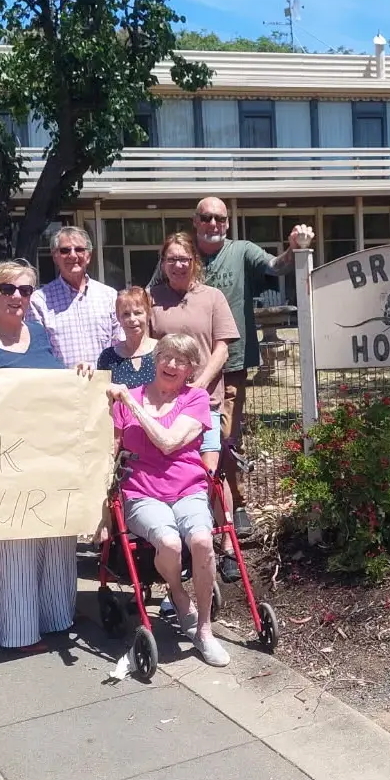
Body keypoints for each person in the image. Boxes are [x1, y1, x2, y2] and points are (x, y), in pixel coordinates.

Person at [160, 197, 313, 536]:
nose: (213, 223)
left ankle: (235, 506)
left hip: (230, 363)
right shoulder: (182, 255)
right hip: (180, 372)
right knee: (181, 439)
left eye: (219, 218)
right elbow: (154, 298)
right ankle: (192, 508)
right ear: (195, 221)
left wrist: (294, 248)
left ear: (227, 223)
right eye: (206, 217)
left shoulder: (241, 251)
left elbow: (277, 267)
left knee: (225, 439)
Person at [0, 260, 84, 651]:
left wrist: (76, 376)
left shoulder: (39, 334)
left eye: (26, 290)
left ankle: (55, 618)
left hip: (50, 458)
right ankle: (18, 633)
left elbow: (58, 384)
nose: (18, 297)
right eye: (9, 289)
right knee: (14, 548)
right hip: (4, 465)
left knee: (55, 540)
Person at [104, 334, 230, 667]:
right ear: (155, 359)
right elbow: (110, 451)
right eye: (166, 357)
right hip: (141, 492)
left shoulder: (195, 398)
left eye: (181, 361)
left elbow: (169, 443)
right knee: (170, 542)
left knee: (202, 540)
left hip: (187, 488)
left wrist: (131, 406)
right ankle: (177, 591)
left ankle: (204, 629)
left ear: (190, 369)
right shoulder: (126, 398)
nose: (171, 365)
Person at [148, 233, 239, 576]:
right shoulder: (151, 298)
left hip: (206, 403)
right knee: (170, 474)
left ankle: (228, 546)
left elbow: (223, 348)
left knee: (211, 474)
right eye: (171, 259)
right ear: (163, 263)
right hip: (164, 405)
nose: (178, 265)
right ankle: (183, 547)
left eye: (184, 258)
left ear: (194, 262)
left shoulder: (212, 298)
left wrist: (198, 386)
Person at [29, 226, 120, 370]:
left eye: (79, 249)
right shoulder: (39, 301)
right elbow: (39, 352)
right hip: (62, 387)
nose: (73, 255)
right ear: (55, 257)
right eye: (65, 250)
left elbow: (120, 345)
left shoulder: (109, 296)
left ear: (88, 256)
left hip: (104, 385)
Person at [96, 286, 157, 388]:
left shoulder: (164, 351)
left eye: (138, 313)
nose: (132, 319)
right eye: (126, 314)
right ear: (118, 318)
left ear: (149, 314)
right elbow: (100, 394)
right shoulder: (107, 357)